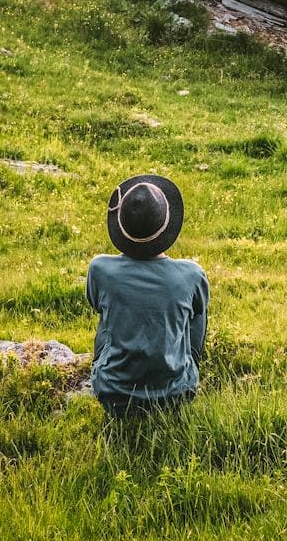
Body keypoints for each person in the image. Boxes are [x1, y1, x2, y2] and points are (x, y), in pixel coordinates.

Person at [85, 174, 209, 415]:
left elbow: (96, 305)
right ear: (166, 223)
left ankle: (112, 370)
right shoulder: (192, 274)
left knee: (107, 316)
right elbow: (196, 317)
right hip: (177, 394)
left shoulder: (100, 269)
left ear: (122, 225)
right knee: (198, 312)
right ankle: (186, 366)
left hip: (113, 393)